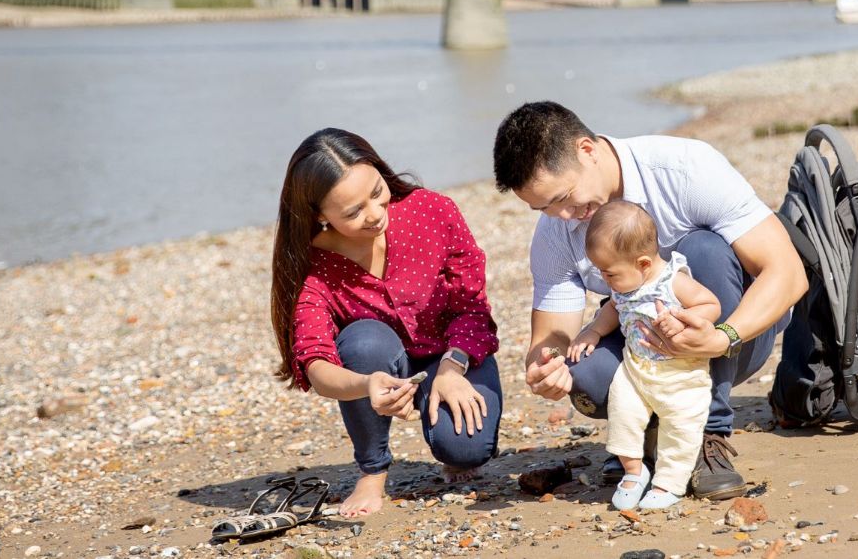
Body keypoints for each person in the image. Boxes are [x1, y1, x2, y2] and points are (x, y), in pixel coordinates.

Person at [491, 101, 807, 501]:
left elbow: (788, 273)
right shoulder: (556, 227)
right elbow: (553, 334)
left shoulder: (685, 168)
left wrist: (724, 335)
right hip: (644, 347)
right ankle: (643, 436)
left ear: (587, 150)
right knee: (582, 370)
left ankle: (710, 435)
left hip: (733, 338)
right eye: (545, 208)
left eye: (565, 198)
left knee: (703, 250)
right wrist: (545, 365)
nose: (564, 216)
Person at [270, 128, 503, 518]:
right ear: (318, 215)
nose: (375, 214)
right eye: (352, 212)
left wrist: (451, 368)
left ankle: (452, 443)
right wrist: (366, 384)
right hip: (379, 362)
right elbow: (315, 363)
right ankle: (372, 471)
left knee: (467, 450)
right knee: (362, 343)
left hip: (455, 354)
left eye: (377, 193)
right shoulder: (313, 267)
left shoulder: (432, 210)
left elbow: (473, 308)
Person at [570, 201, 720, 509]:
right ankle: (634, 470)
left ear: (643, 264)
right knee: (623, 414)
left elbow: (710, 304)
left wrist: (682, 318)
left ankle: (669, 483)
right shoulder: (623, 285)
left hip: (680, 373)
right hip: (636, 369)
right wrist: (594, 331)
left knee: (680, 428)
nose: (604, 279)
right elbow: (613, 308)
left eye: (609, 273)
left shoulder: (672, 280)